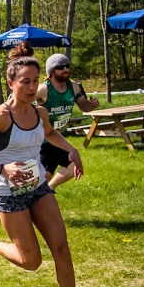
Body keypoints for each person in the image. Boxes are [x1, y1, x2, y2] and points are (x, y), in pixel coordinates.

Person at [0, 42, 103, 287]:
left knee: (61, 248)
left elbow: (49, 134)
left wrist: (72, 149)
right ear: (10, 83)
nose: (30, 87)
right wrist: (1, 168)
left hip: (38, 187)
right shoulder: (0, 116)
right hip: (8, 193)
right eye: (24, 81)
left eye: (34, 81)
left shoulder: (40, 112)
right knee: (31, 261)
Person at [35, 54, 99, 189]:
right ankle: (48, 190)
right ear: (51, 71)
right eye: (60, 67)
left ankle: (40, 194)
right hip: (43, 138)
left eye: (67, 66)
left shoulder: (74, 87)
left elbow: (84, 106)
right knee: (73, 165)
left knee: (44, 176)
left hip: (57, 137)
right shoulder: (43, 89)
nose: (65, 69)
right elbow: (21, 101)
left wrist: (91, 105)